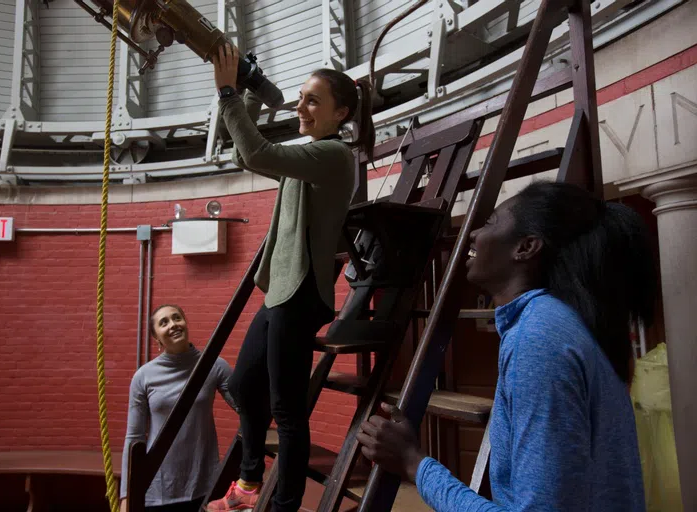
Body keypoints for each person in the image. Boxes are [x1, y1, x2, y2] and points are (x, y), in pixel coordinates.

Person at [356, 181, 657, 511]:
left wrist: (415, 464)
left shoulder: (540, 337)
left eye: (489, 223)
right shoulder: (552, 323)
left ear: (526, 247)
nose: (472, 235)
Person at [205, 44, 375, 512]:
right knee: (242, 386)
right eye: (300, 98)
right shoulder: (308, 154)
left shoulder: (334, 154)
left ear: (340, 112)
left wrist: (227, 92)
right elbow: (249, 156)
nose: (300, 107)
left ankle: (283, 505)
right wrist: (242, 92)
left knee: (287, 411)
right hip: (283, 291)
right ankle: (248, 484)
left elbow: (256, 153)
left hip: (299, 294)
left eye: (312, 101)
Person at [120, 304, 238, 512]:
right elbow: (134, 437)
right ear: (156, 338)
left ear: (185, 323)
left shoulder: (214, 365)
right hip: (157, 487)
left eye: (177, 318)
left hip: (204, 484)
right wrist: (126, 494)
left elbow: (244, 407)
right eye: (163, 323)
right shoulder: (144, 376)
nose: (173, 325)